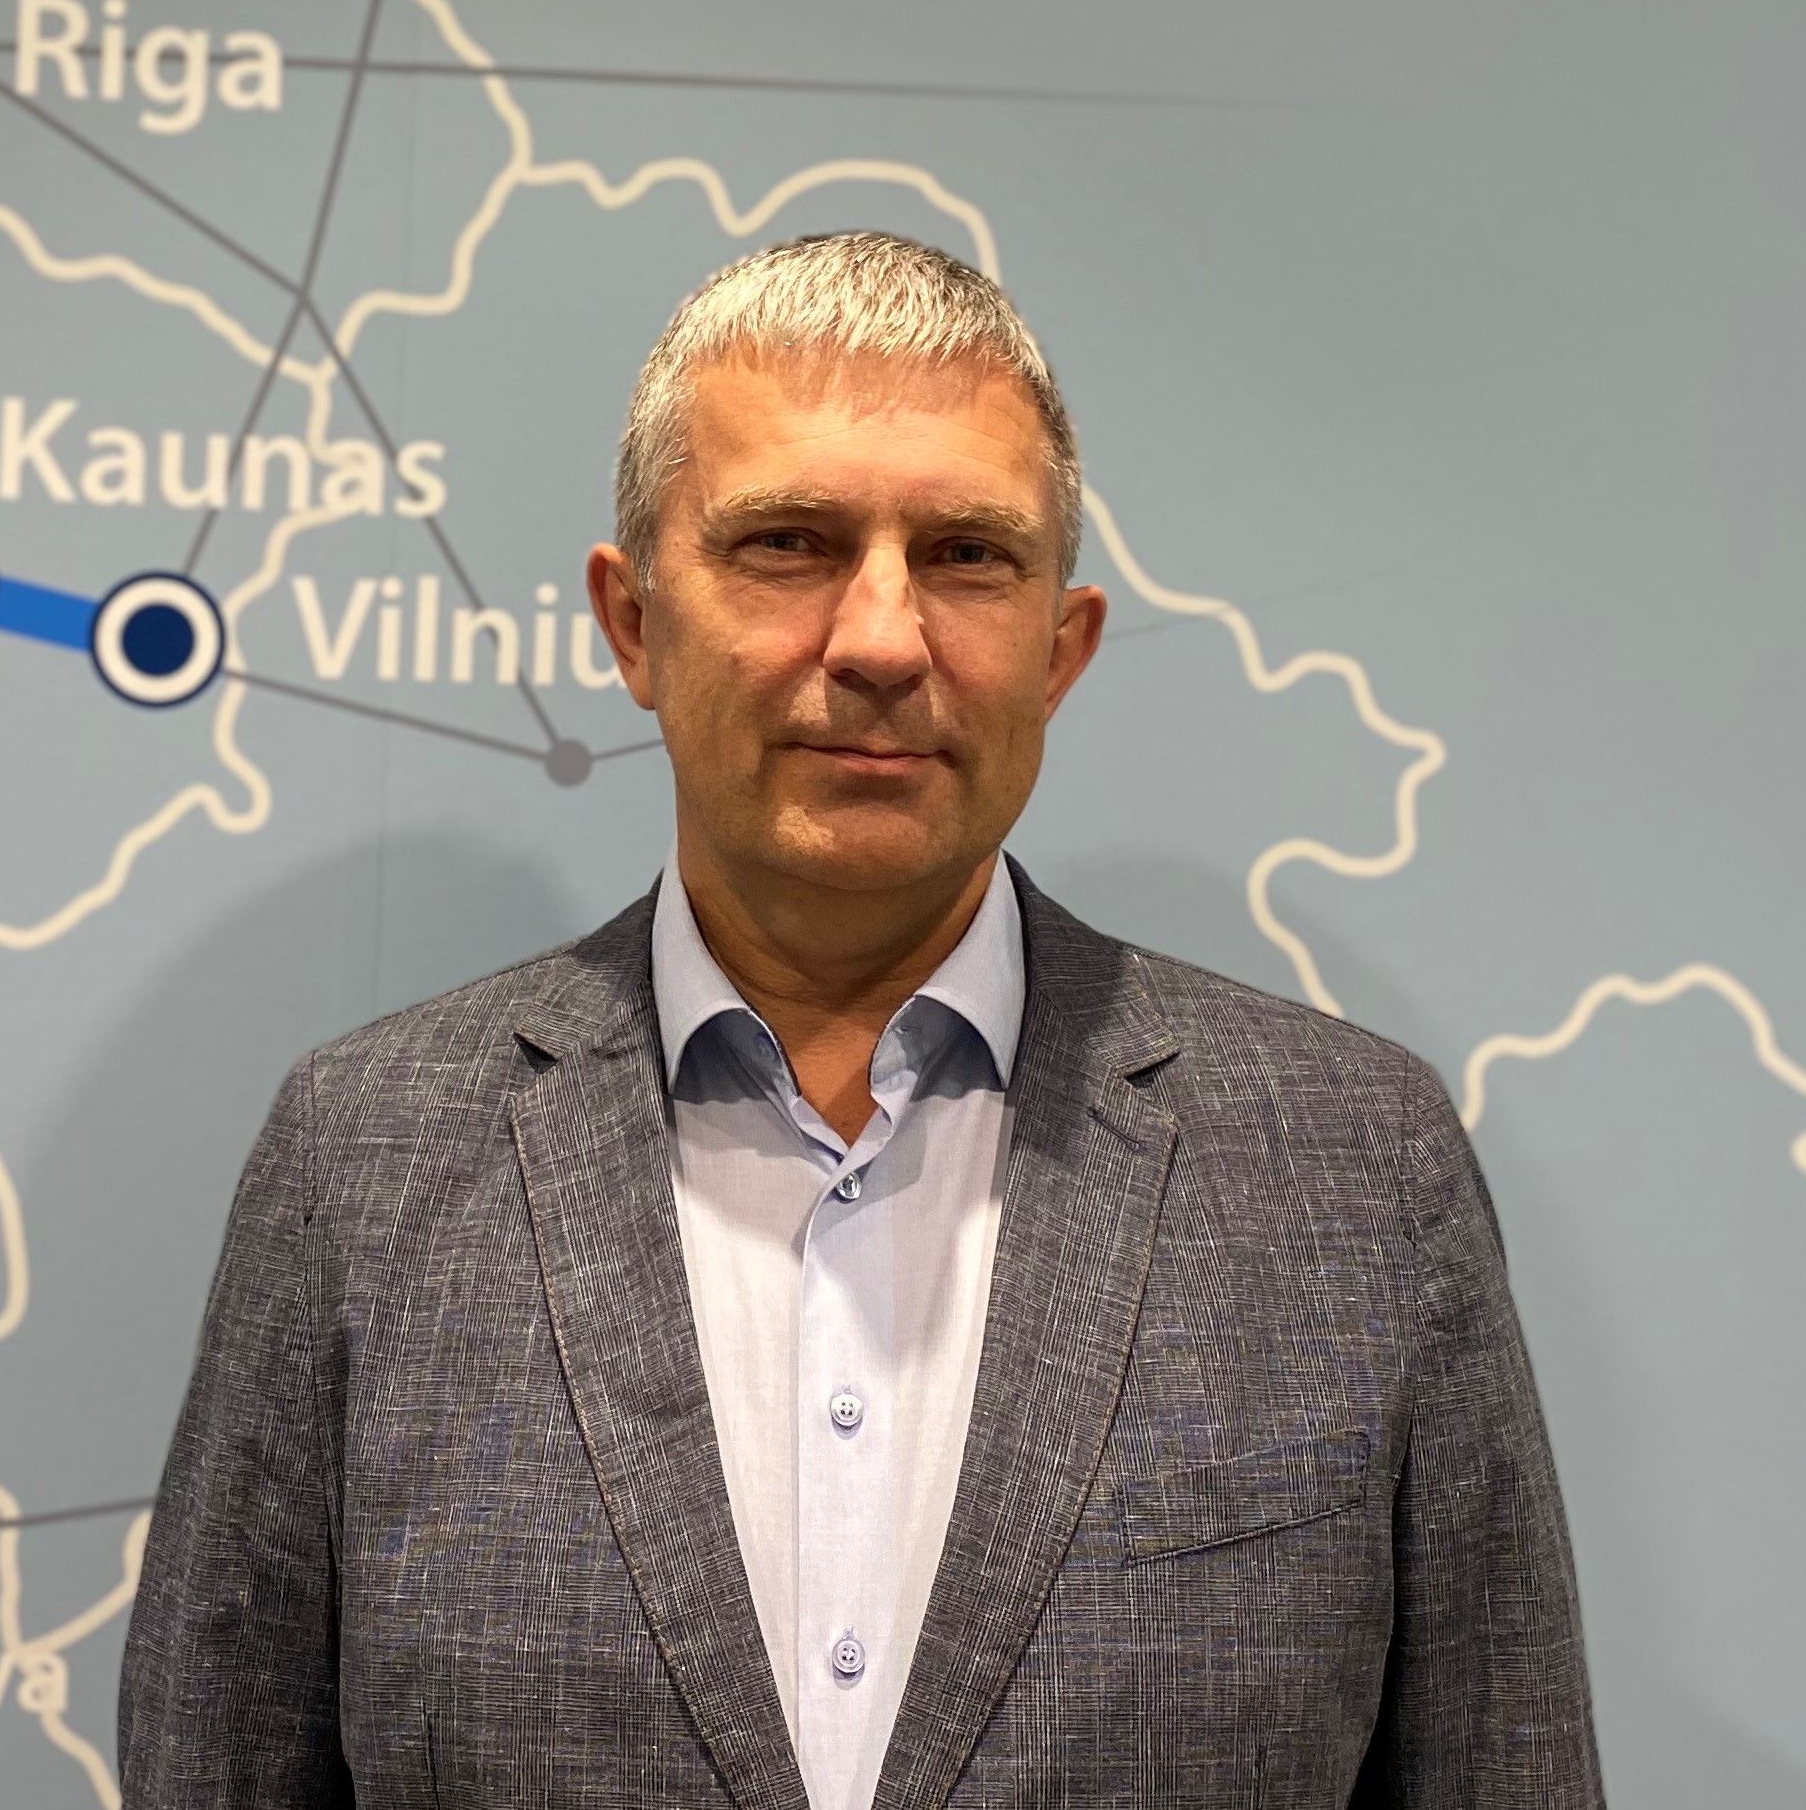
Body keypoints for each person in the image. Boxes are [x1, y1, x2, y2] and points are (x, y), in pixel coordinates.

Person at [118, 230, 1598, 1808]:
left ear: (1061, 650)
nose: (883, 639)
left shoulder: (1356, 1171)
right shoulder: (367, 1161)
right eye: (788, 544)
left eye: (966, 556)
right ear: (632, 624)